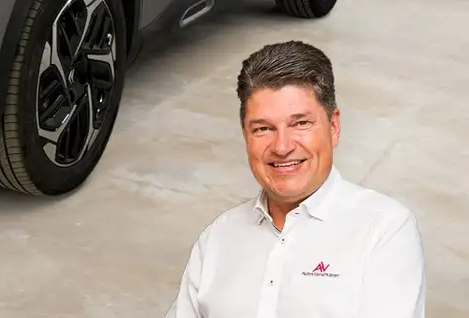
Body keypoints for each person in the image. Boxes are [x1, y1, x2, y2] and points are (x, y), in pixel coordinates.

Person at [165, 40, 426, 318]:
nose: (282, 146)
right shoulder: (218, 237)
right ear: (245, 135)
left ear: (333, 126)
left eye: (300, 123)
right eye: (263, 128)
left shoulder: (384, 230)